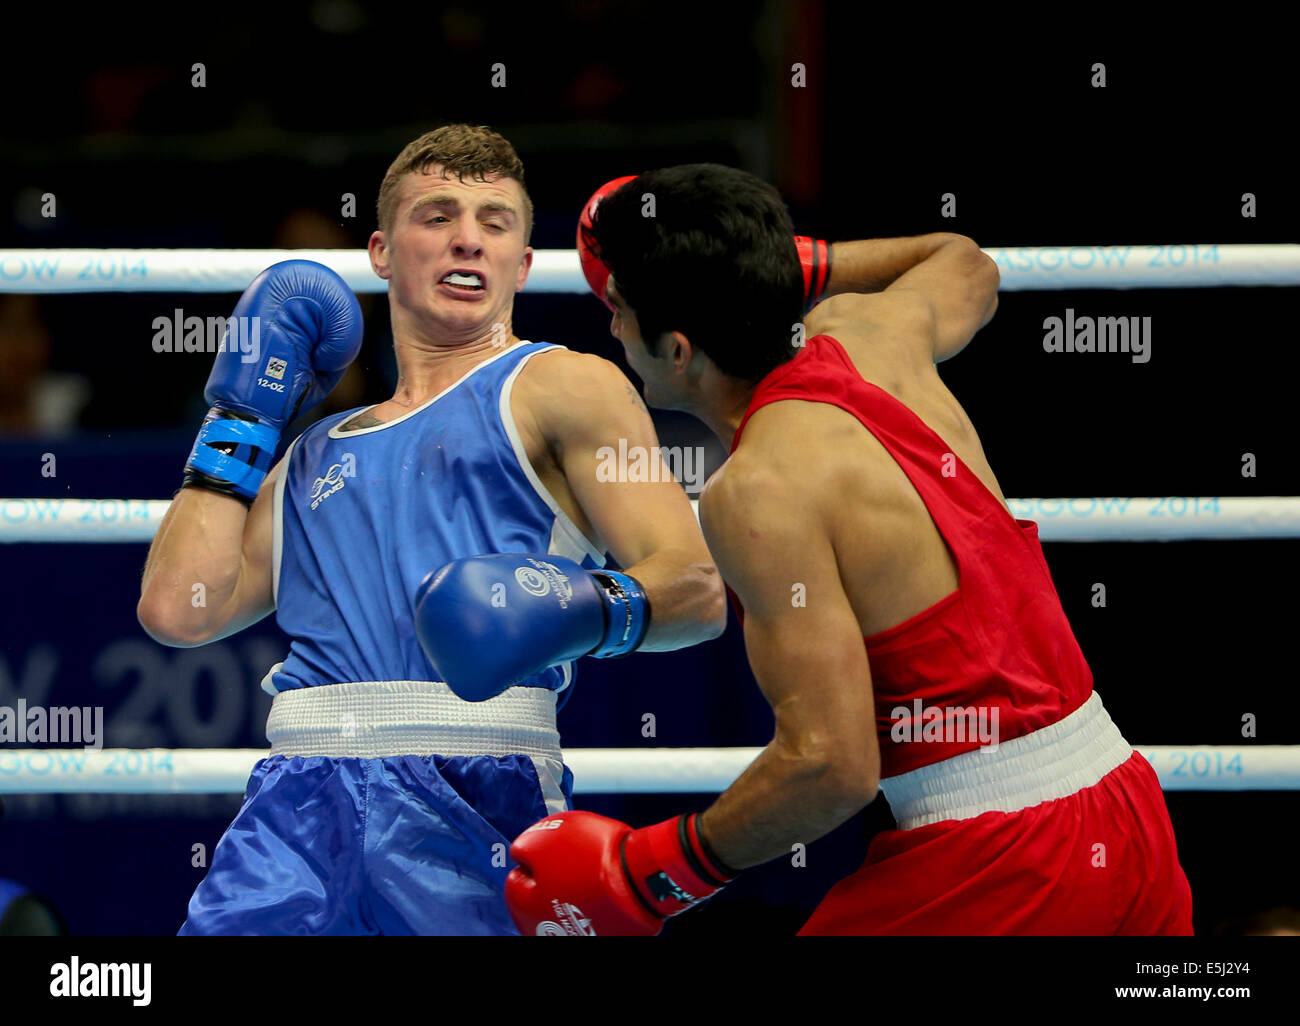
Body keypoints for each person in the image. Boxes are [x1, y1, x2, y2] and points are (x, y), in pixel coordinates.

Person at [503, 165, 1194, 935]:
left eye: (620, 312)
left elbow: (831, 766)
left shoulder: (757, 489)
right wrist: (774, 265)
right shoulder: (873, 337)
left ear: (678, 350)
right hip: (1125, 807)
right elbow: (964, 258)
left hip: (1002, 859)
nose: (613, 329)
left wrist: (654, 872)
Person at [136, 126, 725, 935]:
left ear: (522, 263)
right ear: (381, 251)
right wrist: (241, 418)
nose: (467, 240)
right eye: (438, 215)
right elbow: (180, 610)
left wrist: (566, 604)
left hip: (476, 790)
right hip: (295, 811)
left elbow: (695, 590)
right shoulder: (316, 448)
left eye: (495, 221)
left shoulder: (563, 386)